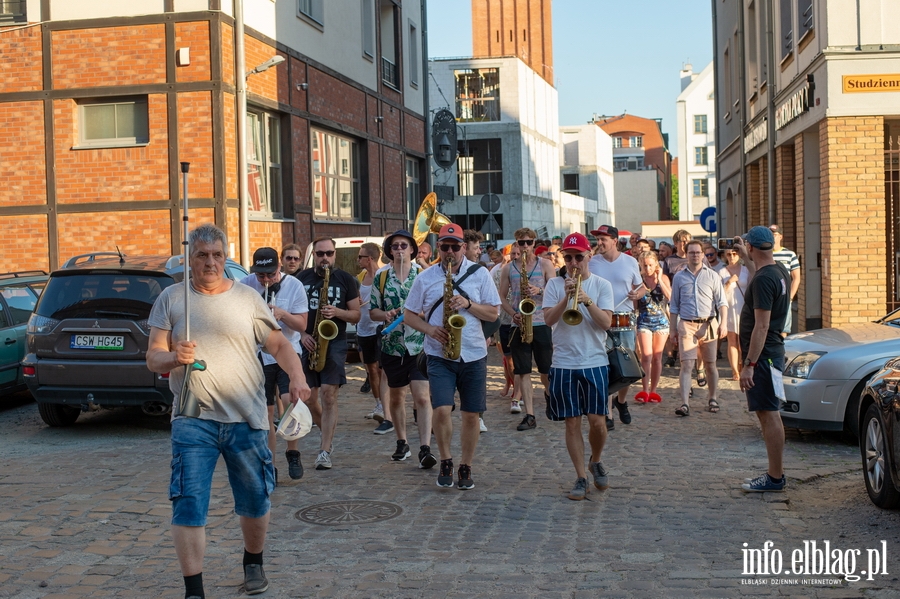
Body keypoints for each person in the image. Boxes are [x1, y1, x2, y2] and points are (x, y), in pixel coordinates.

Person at [147, 224, 310, 599]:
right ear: (190, 259)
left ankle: (253, 562)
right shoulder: (172, 299)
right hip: (192, 417)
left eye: (217, 255)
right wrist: (173, 357)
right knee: (188, 502)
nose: (210, 262)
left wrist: (297, 376)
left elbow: (279, 346)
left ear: (226, 258)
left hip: (247, 418)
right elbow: (153, 357)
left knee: (255, 499)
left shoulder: (248, 299)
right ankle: (194, 591)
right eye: (202, 255)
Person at [404, 223, 501, 490]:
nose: (449, 251)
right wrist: (430, 330)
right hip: (439, 354)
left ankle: (466, 465)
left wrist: (468, 304)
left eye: (454, 247)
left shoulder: (480, 274)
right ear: (439, 247)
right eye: (444, 246)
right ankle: (446, 459)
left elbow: (493, 314)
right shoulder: (425, 277)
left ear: (463, 248)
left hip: (473, 353)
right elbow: (409, 314)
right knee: (442, 409)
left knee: (471, 415)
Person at [544, 232, 614, 500]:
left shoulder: (601, 285)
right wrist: (566, 297)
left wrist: (586, 300)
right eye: (568, 257)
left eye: (578, 257)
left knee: (597, 422)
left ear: (589, 256)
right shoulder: (554, 285)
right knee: (571, 422)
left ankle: (595, 460)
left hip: (594, 361)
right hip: (563, 362)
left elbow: (606, 323)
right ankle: (581, 477)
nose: (573, 262)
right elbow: (549, 320)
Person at [239, 247, 309, 482]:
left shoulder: (294, 285)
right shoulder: (246, 285)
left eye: (270, 274)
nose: (266, 280)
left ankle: (293, 451)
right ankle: (270, 464)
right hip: (259, 354)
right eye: (261, 276)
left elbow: (301, 325)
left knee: (291, 400)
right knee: (266, 412)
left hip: (288, 350)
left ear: (279, 267)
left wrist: (282, 314)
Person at [369, 230, 435, 468]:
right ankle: (402, 441)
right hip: (392, 345)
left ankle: (425, 447)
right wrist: (385, 315)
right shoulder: (382, 277)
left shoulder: (423, 275)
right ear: (390, 251)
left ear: (412, 250)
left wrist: (419, 314)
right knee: (397, 397)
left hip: (419, 344)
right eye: (395, 246)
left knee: (422, 397)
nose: (399, 250)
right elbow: (372, 311)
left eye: (403, 246)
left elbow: (434, 307)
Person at [297, 237, 362, 470]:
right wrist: (303, 334)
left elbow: (356, 315)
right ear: (314, 254)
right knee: (310, 398)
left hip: (334, 341)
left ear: (335, 255)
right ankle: (327, 431)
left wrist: (337, 312)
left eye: (329, 253)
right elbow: (293, 312)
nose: (325, 258)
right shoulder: (301, 279)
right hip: (308, 341)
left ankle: (324, 449)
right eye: (320, 253)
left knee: (328, 394)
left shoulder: (346, 279)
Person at [734, 227, 791, 492]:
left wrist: (749, 365)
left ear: (753, 246)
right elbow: (760, 274)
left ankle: (775, 477)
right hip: (773, 353)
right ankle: (775, 473)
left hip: (765, 357)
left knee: (768, 414)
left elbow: (761, 326)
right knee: (770, 412)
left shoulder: (763, 280)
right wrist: (746, 257)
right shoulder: (778, 270)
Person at [499, 227, 556, 431]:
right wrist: (512, 312)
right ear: (516, 244)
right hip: (519, 323)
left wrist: (539, 290)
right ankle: (530, 414)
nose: (524, 247)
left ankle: (550, 397)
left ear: (533, 243)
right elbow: (501, 296)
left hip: (541, 321)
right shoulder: (508, 268)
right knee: (523, 371)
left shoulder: (546, 264)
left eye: (528, 243)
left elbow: (556, 290)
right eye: (520, 243)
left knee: (545, 370)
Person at [589, 224, 642, 429]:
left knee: (626, 367)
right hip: (600, 318)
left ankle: (620, 401)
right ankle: (607, 412)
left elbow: (641, 286)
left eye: (603, 239)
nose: (599, 243)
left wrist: (638, 294)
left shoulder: (630, 262)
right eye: (597, 239)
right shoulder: (592, 262)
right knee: (603, 366)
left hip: (625, 320)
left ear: (614, 240)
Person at [669, 240, 727, 416]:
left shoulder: (713, 276)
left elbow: (722, 302)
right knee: (686, 365)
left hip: (708, 324)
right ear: (686, 255)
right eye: (691, 252)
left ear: (703, 254)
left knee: (710, 364)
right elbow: (674, 306)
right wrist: (672, 329)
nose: (695, 255)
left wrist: (723, 323)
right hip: (686, 324)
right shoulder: (679, 277)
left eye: (697, 252)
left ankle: (712, 397)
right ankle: (685, 403)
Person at [355, 242, 390, 432]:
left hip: (379, 327)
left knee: (381, 369)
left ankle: (386, 408)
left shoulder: (383, 275)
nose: (358, 260)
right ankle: (378, 404)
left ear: (369, 258)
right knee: (371, 370)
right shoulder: (360, 277)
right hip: (363, 327)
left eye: (360, 257)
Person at [633, 251, 671, 404]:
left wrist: (660, 278)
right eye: (644, 265)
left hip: (661, 322)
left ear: (656, 264)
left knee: (657, 357)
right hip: (644, 321)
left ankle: (654, 390)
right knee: (646, 356)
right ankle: (645, 390)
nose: (647, 268)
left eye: (650, 265)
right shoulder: (639, 281)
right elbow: (634, 305)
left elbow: (670, 297)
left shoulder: (664, 278)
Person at [493, 244, 520, 402]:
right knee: (508, 359)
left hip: (522, 320)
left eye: (517, 253)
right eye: (512, 253)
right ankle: (514, 388)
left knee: (520, 359)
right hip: (504, 319)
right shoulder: (499, 271)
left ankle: (518, 393)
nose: (515, 256)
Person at [721, 247, 751, 380]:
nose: (732, 256)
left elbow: (751, 288)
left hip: (744, 309)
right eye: (729, 254)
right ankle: (735, 371)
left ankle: (743, 366)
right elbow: (718, 293)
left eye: (734, 254)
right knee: (732, 341)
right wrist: (729, 282)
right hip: (729, 309)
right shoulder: (721, 272)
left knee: (744, 341)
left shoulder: (746, 270)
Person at [769, 224, 801, 336]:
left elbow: (796, 278)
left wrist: (790, 297)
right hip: (768, 298)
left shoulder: (790, 254)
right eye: (770, 234)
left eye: (774, 234)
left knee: (783, 330)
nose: (772, 236)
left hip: (784, 298)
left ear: (780, 237)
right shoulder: (764, 254)